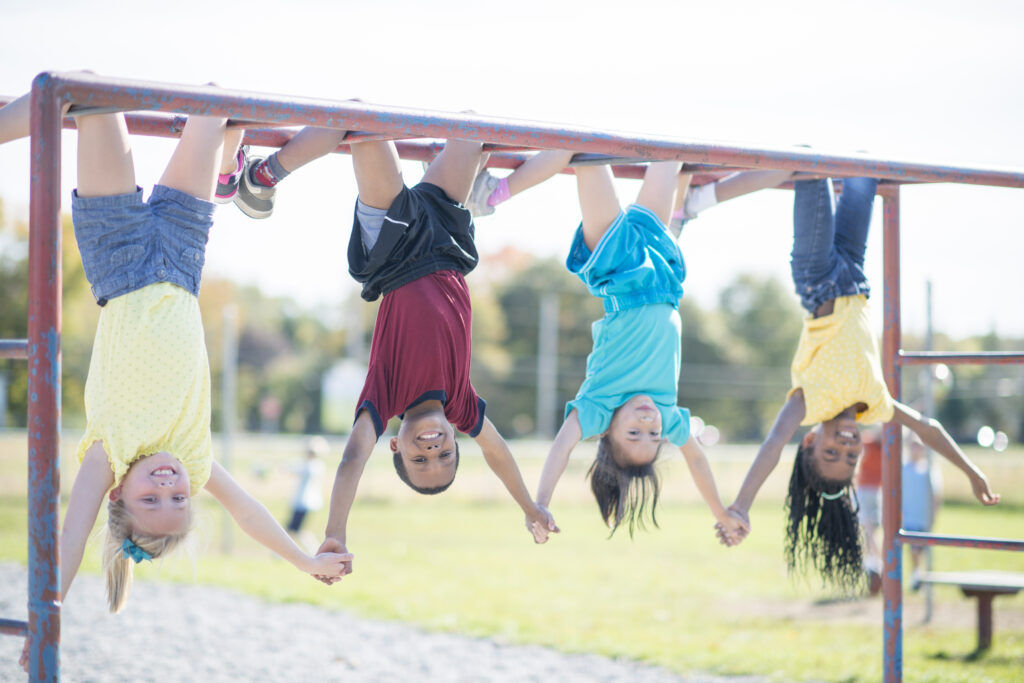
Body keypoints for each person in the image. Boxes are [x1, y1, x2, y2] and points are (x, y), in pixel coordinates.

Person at [0, 89, 352, 634]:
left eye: (152, 496)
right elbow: (249, 511)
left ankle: (229, 162)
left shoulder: (107, 458)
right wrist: (305, 562)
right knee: (214, 105)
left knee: (90, 94)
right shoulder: (192, 456)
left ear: (118, 495)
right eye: (179, 496)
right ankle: (232, 165)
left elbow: (70, 534)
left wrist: (50, 610)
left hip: (117, 257)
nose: (169, 481)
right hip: (183, 255)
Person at [225, 126, 558, 571]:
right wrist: (529, 507)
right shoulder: (461, 405)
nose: (432, 446)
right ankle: (474, 181)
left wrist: (334, 534)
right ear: (459, 440)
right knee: (472, 129)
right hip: (446, 239)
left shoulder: (382, 402)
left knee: (365, 124)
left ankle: (260, 180)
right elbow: (497, 452)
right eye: (444, 455)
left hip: (395, 244)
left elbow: (349, 462)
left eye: (420, 458)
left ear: (396, 447)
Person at [721, 175, 999, 590]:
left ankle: (799, 156)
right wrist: (971, 471)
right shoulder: (876, 403)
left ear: (812, 441)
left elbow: (773, 445)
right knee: (861, 175)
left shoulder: (808, 403)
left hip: (816, 275)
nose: (848, 448)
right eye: (849, 459)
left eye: (831, 451)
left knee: (812, 171)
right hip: (855, 271)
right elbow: (929, 428)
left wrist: (742, 505)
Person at [472, 150, 750, 540]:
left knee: (588, 149)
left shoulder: (598, 409)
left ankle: (490, 194)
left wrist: (541, 502)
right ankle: (689, 199)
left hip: (618, 266)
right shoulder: (667, 413)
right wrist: (721, 512)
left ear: (606, 432)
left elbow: (561, 448)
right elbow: (698, 461)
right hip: (662, 272)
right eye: (653, 437)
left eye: (633, 434)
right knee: (669, 152)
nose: (648, 426)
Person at [903, 432, 942, 590]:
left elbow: (936, 494)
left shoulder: (929, 469)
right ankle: (916, 574)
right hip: (909, 517)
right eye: (913, 446)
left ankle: (923, 576)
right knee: (913, 549)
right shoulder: (903, 468)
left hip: (923, 517)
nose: (915, 449)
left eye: (918, 446)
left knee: (924, 549)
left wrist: (934, 514)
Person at [284, 436, 329, 549]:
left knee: (294, 530)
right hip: (308, 502)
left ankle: (314, 550)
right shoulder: (318, 465)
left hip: (303, 502)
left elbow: (292, 469)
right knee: (295, 530)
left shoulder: (309, 466)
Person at [855, 427, 883, 594]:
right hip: (870, 490)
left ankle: (876, 562)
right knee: (869, 530)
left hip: (870, 491)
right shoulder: (872, 443)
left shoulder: (877, 444)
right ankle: (874, 561)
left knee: (869, 529)